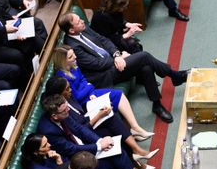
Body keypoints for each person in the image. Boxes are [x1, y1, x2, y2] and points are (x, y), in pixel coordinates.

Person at [60, 11, 188, 122]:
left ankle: (157, 104)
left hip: (112, 62)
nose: (83, 21)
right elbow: (97, 64)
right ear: (71, 30)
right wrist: (119, 58)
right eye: (78, 21)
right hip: (103, 75)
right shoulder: (73, 46)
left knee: (145, 67)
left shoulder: (83, 29)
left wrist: (117, 54)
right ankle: (174, 75)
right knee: (143, 56)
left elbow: (103, 40)